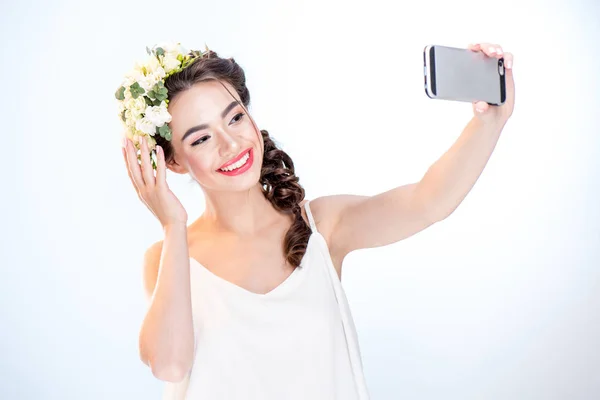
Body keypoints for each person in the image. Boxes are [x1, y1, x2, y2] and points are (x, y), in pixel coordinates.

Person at [118, 42, 514, 400]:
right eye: (201, 139)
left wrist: (490, 121)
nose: (231, 144)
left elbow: (428, 202)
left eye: (235, 118)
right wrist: (172, 225)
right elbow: (169, 365)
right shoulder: (169, 257)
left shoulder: (322, 227)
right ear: (171, 161)